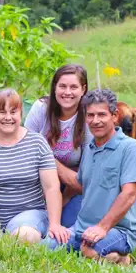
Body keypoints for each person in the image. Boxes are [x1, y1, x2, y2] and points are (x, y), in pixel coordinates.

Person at [45, 89, 136, 265]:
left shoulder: (130, 148)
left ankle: (121, 258)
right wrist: (49, 159)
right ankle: (111, 257)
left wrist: (102, 227)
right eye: (90, 115)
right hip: (81, 228)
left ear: (115, 116)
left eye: (102, 115)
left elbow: (129, 194)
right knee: (46, 247)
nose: (95, 121)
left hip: (118, 231)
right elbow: (78, 184)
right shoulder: (90, 148)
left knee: (88, 250)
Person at [0, 88, 69, 245]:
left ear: (21, 114)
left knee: (24, 236)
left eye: (13, 112)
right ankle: (4, 243)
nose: (8, 117)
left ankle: (15, 243)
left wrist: (54, 224)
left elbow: (52, 188)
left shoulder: (37, 143)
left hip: (29, 217)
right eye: (1, 112)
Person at [24, 64, 92, 228]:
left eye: (73, 87)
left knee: (70, 226)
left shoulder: (89, 116)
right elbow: (24, 150)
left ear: (83, 89)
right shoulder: (41, 109)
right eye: (62, 86)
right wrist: (56, 167)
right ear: (54, 87)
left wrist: (65, 198)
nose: (67, 92)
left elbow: (86, 177)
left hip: (72, 189)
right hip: (37, 183)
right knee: (34, 226)